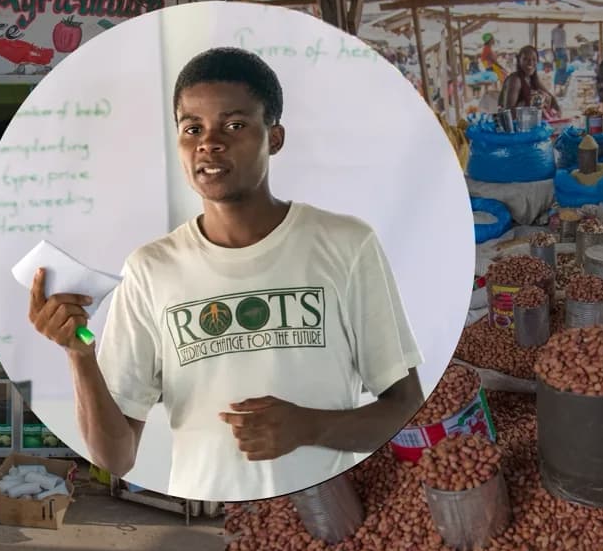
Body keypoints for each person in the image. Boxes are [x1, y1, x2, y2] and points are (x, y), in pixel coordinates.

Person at [28, 47, 426, 501]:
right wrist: (79, 353)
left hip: (327, 520)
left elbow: (406, 409)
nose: (209, 143)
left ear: (274, 138)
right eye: (192, 128)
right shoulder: (151, 268)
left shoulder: (346, 245)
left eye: (234, 125)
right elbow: (115, 457)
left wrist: (310, 426)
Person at [499, 45, 561, 119]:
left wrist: (558, 111)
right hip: (514, 126)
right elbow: (508, 112)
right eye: (525, 59)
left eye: (534, 59)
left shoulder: (531, 78)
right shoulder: (515, 80)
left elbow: (550, 97)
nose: (530, 63)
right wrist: (533, 108)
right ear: (519, 60)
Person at [551, 23, 569, 96]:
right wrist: (554, 54)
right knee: (559, 69)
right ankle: (556, 88)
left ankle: (561, 88)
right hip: (558, 51)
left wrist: (566, 54)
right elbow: (552, 42)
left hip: (563, 51)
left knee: (563, 69)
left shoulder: (563, 31)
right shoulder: (554, 31)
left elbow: (565, 43)